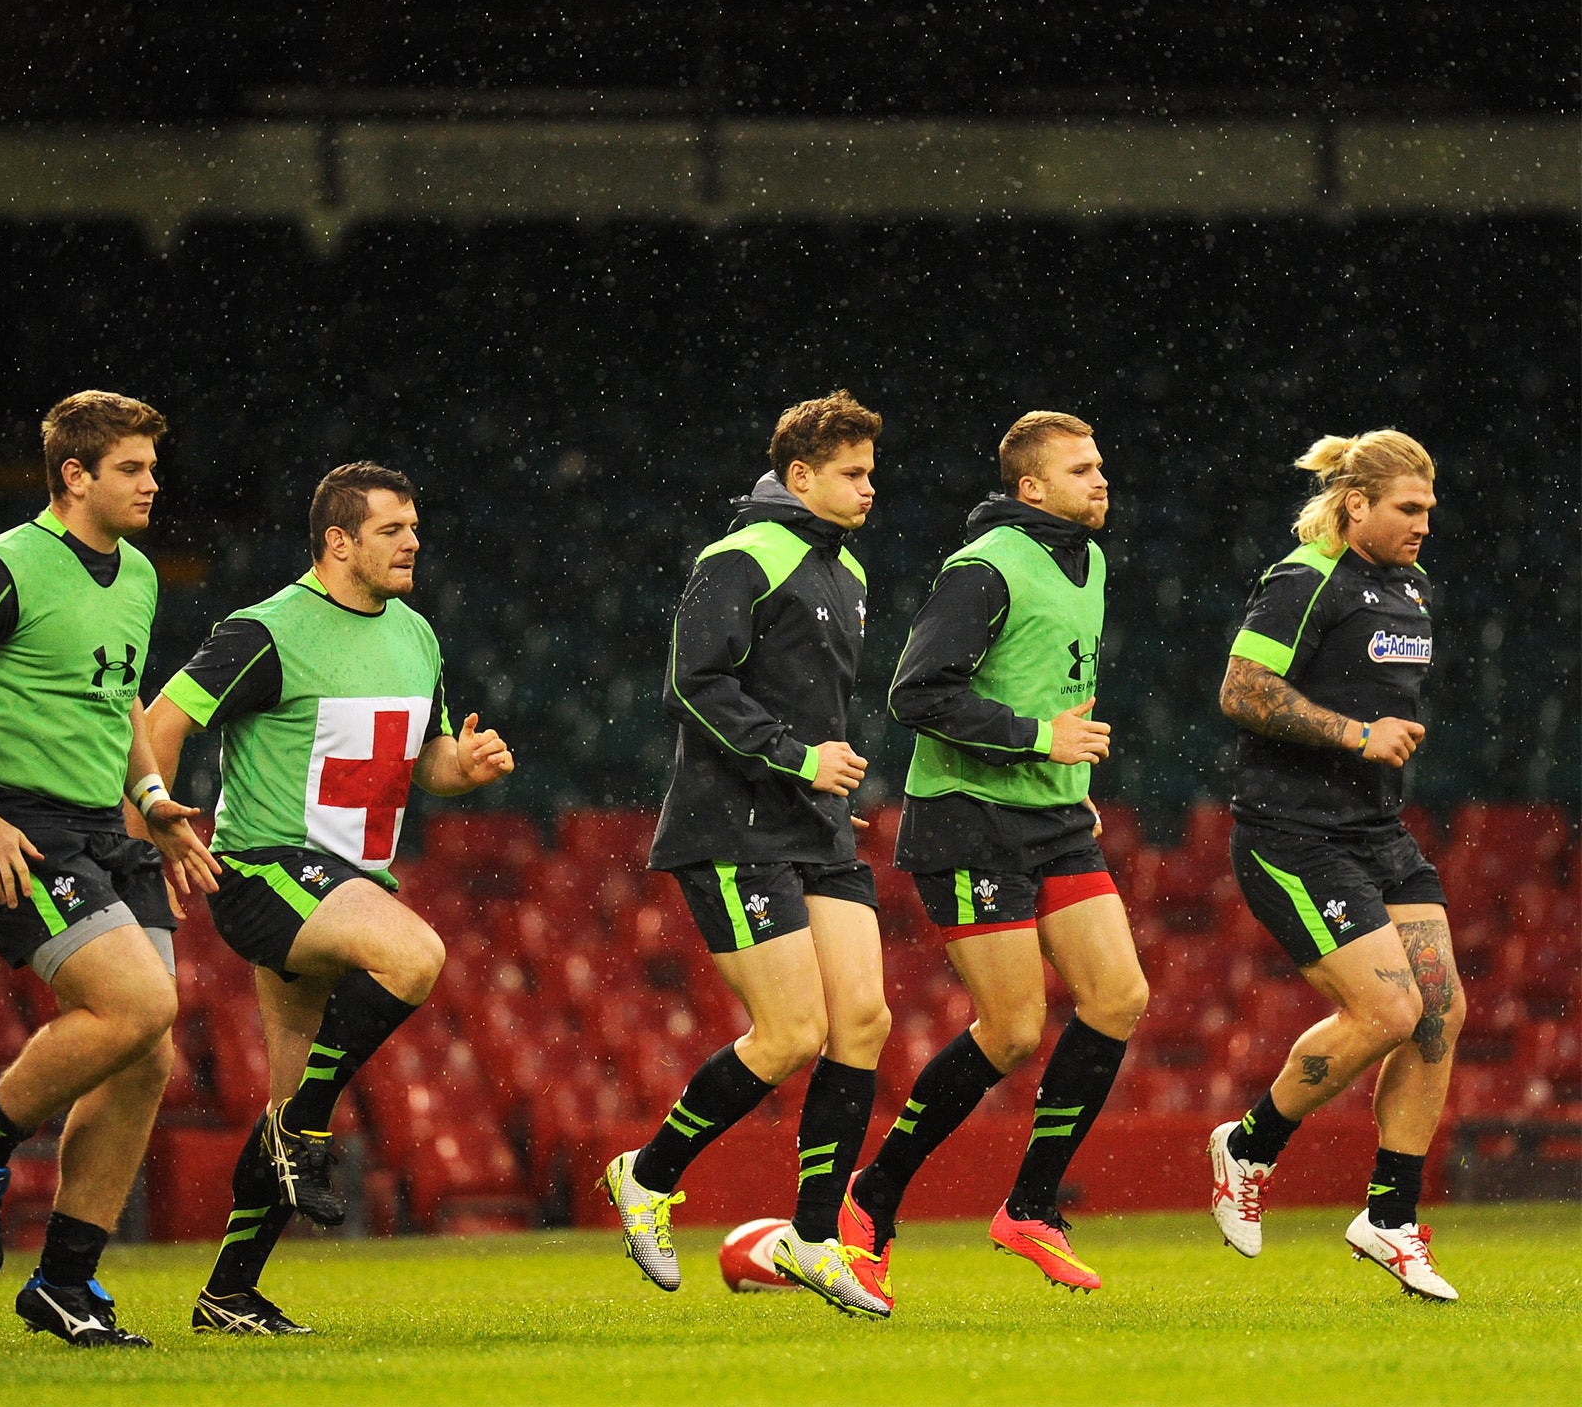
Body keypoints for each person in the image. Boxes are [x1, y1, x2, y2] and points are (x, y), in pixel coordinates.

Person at [142, 461, 513, 1336]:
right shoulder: (265, 630)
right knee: (416, 956)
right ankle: (301, 1128)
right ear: (338, 542)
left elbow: (423, 765)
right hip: (265, 869)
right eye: (392, 530)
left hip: (346, 885)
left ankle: (228, 1291)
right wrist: (158, 817)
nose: (413, 542)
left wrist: (463, 769)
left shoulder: (417, 636)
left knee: (285, 1095)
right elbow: (162, 722)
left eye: (416, 527)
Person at [0, 390, 219, 1347]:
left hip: (107, 830)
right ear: (75, 476)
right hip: (21, 827)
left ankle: (66, 1282)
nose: (152, 483)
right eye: (132, 468)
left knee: (146, 1053)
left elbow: (118, 706)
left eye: (152, 467)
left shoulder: (141, 577)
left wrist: (155, 799)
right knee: (136, 1007)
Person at [839, 410, 1147, 1300]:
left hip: (1052, 820)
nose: (1101, 480)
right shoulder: (983, 569)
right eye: (1081, 469)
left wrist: (1060, 761)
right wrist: (1035, 738)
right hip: (968, 820)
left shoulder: (1088, 561)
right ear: (1031, 489)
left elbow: (1054, 680)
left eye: (1101, 465)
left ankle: (1032, 1207)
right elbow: (915, 693)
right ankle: (873, 1195)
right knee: (1012, 1030)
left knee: (1119, 996)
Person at [603, 391, 891, 1318]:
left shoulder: (846, 573)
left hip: (816, 829)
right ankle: (646, 1176)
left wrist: (823, 771)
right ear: (799, 476)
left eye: (871, 472)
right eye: (851, 474)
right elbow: (693, 685)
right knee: (792, 1034)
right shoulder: (740, 556)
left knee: (866, 1022)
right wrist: (801, 756)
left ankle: (811, 1240)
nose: (868, 489)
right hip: (736, 827)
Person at [1207, 429, 1463, 1301]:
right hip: (1293, 836)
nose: (1424, 523)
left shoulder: (1411, 588)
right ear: (1356, 504)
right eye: (1408, 508)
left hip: (1377, 832)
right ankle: (1248, 1147)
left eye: (1428, 508)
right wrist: (1358, 734)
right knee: (1389, 1008)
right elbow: (1241, 691)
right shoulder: (1303, 579)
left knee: (1440, 1013)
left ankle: (1389, 1220)